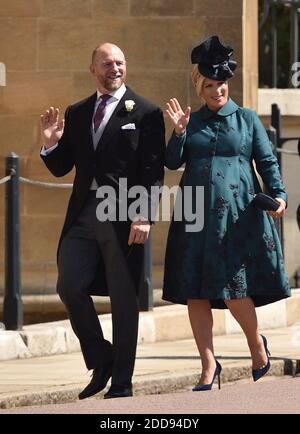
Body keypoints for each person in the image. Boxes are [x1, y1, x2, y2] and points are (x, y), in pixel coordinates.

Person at [163, 35, 291, 391]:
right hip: (195, 216)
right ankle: (208, 364)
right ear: (199, 88)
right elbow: (172, 162)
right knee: (195, 291)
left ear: (227, 84)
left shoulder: (247, 120)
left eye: (220, 84)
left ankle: (256, 345)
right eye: (209, 85)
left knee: (235, 289)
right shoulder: (192, 123)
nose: (216, 90)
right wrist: (178, 132)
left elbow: (266, 162)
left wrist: (278, 194)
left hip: (237, 218)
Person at [40, 43, 165, 399]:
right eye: (108, 63)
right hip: (82, 215)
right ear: (93, 69)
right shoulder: (77, 112)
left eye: (120, 62)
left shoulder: (145, 112)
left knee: (125, 300)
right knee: (70, 285)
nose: (115, 68)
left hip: (125, 217)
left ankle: (122, 382)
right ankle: (101, 358)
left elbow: (153, 170)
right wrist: (49, 144)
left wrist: (144, 214)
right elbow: (63, 166)